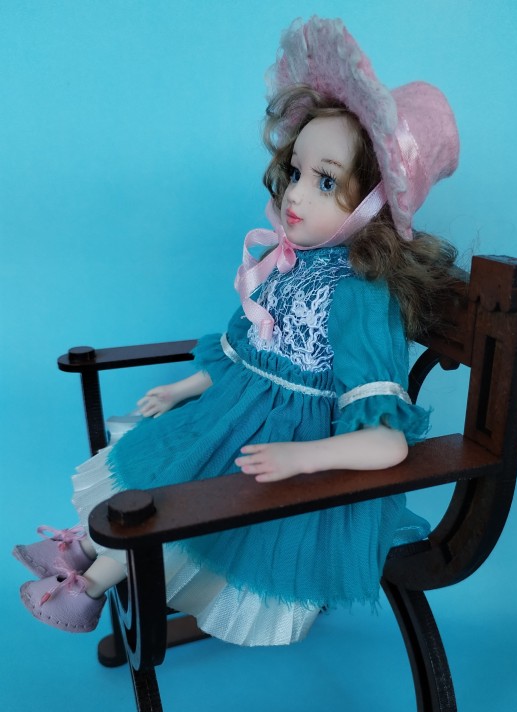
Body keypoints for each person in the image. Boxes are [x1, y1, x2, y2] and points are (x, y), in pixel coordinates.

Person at [13, 16, 460, 646]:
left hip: (290, 452)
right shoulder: (289, 262)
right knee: (162, 459)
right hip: (233, 419)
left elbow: (387, 444)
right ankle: (83, 547)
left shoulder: (360, 295)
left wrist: (302, 457)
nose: (296, 195)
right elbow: (248, 353)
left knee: (186, 500)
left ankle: (86, 586)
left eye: (326, 181)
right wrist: (185, 387)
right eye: (297, 172)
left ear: (374, 204)